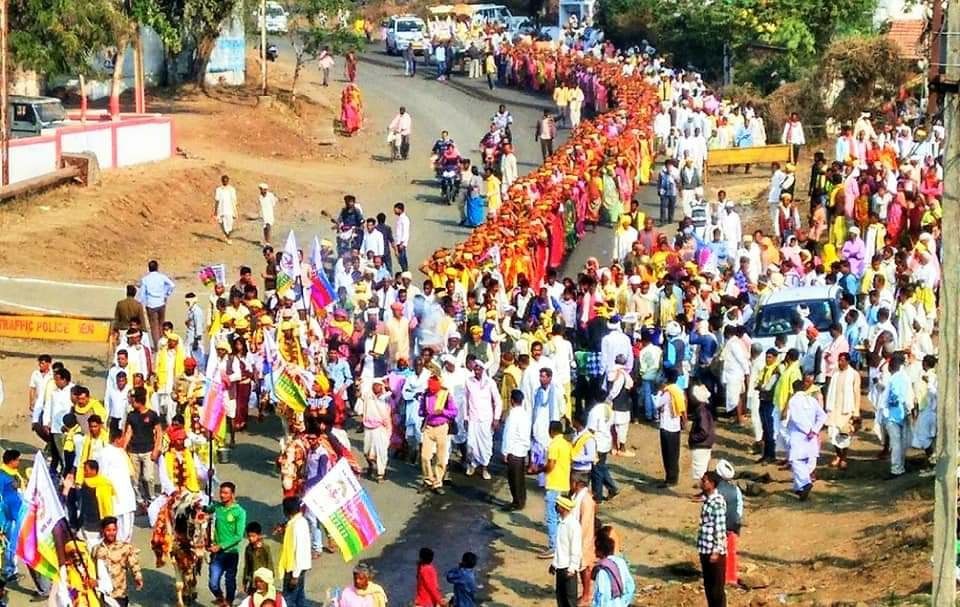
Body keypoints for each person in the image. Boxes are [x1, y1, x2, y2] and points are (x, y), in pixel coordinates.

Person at [208, 481, 248, 607]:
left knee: (230, 582)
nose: (222, 495)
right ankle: (220, 598)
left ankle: (229, 603)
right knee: (213, 583)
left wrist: (220, 546)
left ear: (232, 494)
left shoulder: (240, 512)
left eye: (226, 493)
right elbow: (206, 509)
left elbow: (238, 536)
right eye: (221, 492)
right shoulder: (217, 507)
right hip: (217, 555)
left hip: (231, 553)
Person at [786, 380, 827, 500]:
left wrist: (807, 430)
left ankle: (805, 484)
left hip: (799, 436)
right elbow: (822, 416)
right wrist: (814, 430)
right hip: (811, 437)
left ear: (793, 389)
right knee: (808, 462)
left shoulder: (793, 401)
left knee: (797, 462)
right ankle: (799, 488)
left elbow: (796, 419)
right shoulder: (812, 400)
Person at [91, 516, 143, 607]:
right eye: (108, 530)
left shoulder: (124, 547)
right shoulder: (96, 549)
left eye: (114, 530)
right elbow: (91, 567)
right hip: (103, 593)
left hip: (120, 593)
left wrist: (138, 577)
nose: (111, 533)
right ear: (103, 530)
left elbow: (134, 564)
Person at [464, 360, 503, 480]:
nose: (477, 371)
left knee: (486, 445)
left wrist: (496, 418)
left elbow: (498, 401)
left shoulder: (490, 382)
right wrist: (465, 417)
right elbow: (465, 400)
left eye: (479, 369)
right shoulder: (468, 381)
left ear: (483, 369)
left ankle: (485, 468)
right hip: (473, 418)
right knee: (471, 444)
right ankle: (472, 465)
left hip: (486, 419)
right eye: (475, 369)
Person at [824, 352, 861, 470]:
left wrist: (856, 412)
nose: (840, 362)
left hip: (846, 409)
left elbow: (857, 393)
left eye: (842, 360)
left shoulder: (854, 374)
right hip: (834, 408)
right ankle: (838, 455)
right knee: (832, 433)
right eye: (839, 360)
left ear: (847, 361)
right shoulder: (835, 373)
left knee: (844, 435)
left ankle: (844, 457)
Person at [541, 421, 571, 559]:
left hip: (554, 485)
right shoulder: (566, 444)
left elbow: (551, 465)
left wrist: (541, 469)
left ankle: (553, 546)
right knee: (561, 518)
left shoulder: (554, 445)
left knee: (552, 517)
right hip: (564, 485)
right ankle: (562, 545)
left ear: (551, 431)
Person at [697, 471, 727, 607]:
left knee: (716, 588)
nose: (702, 483)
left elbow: (720, 528)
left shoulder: (717, 502)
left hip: (713, 551)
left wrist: (716, 551)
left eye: (705, 481)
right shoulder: (709, 499)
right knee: (709, 586)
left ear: (712, 484)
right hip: (704, 548)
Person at [276, 497, 311, 607]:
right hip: (296, 567)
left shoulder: (298, 525)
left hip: (294, 568)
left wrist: (295, 575)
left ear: (286, 511)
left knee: (288, 600)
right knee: (299, 597)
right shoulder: (296, 522)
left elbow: (300, 550)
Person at [501, 389, 531, 510]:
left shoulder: (513, 415)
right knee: (520, 478)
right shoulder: (525, 414)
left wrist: (505, 451)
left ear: (512, 401)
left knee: (514, 479)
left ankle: (517, 502)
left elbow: (509, 434)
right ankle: (520, 500)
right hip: (522, 450)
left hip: (514, 450)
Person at [715, 460, 743, 586]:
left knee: (716, 551)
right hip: (732, 525)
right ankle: (731, 577)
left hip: (718, 526)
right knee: (730, 552)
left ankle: (718, 576)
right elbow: (739, 509)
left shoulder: (714, 491)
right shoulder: (735, 489)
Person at [551, 495, 582, 607]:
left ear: (563, 508)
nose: (555, 506)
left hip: (568, 569)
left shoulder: (573, 525)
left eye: (557, 505)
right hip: (560, 567)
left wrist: (572, 568)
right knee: (561, 598)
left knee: (570, 600)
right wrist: (554, 563)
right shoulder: (561, 523)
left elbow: (576, 547)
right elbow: (560, 547)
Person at [657, 369, 687, 488]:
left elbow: (657, 403)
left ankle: (669, 479)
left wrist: (660, 391)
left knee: (667, 454)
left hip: (666, 425)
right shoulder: (678, 390)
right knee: (675, 453)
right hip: (676, 425)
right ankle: (674, 477)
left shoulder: (667, 392)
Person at [138, 259, 175, 347]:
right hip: (161, 302)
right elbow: (172, 285)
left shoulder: (145, 279)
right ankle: (163, 342)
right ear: (157, 267)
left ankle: (158, 345)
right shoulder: (161, 277)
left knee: (154, 327)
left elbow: (142, 294)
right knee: (161, 324)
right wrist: (166, 294)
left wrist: (142, 304)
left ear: (148, 268)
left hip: (151, 304)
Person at [242, 522, 274, 596]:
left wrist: (270, 582)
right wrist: (244, 582)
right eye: (249, 536)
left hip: (264, 580)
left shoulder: (265, 548)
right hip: (253, 581)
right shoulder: (248, 548)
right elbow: (247, 566)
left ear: (259, 535)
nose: (250, 538)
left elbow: (270, 565)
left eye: (253, 536)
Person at [214, 174, 239, 245]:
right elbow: (217, 200)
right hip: (221, 210)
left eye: (226, 181)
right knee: (221, 224)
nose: (225, 182)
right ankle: (226, 236)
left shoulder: (232, 189)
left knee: (229, 225)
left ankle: (228, 237)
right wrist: (215, 211)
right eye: (224, 181)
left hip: (230, 210)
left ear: (228, 181)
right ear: (222, 181)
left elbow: (234, 200)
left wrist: (235, 211)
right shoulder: (218, 190)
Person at [393, 202, 410, 272]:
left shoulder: (404, 219)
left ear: (400, 209)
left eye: (395, 209)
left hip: (401, 244)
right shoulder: (400, 218)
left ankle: (405, 273)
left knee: (402, 261)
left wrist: (402, 243)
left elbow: (405, 232)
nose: (394, 211)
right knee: (401, 260)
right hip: (399, 243)